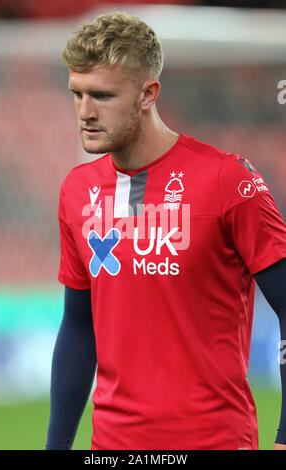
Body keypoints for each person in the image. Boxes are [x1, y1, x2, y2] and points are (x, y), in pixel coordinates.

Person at [46, 12, 286, 450]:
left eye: (101, 95)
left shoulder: (226, 179)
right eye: (76, 94)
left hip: (214, 441)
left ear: (148, 94)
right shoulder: (77, 191)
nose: (84, 112)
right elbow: (79, 329)